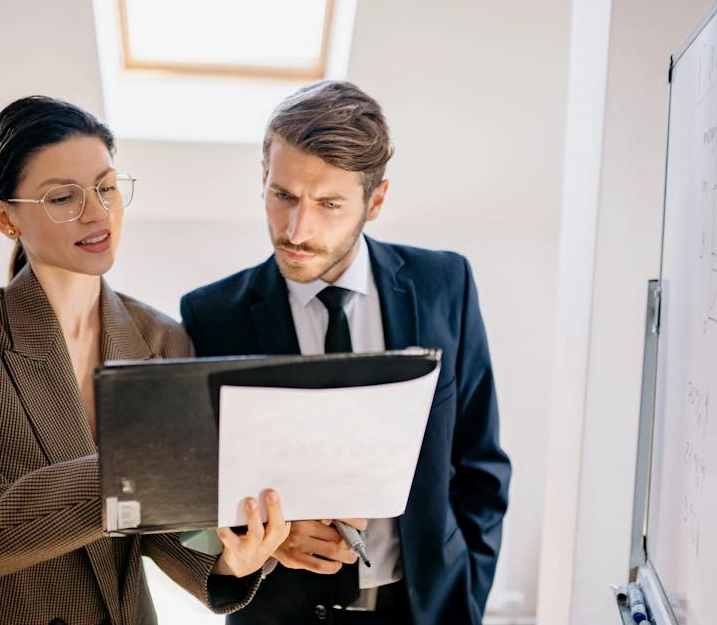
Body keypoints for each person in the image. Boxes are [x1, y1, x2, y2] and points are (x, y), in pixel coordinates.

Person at [0, 95, 289, 625]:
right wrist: (127, 473)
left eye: (106, 187)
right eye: (62, 197)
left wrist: (231, 562)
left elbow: (158, 527)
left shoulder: (163, 341)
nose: (97, 212)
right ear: (5, 218)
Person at [180, 81, 511, 625]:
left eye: (329, 204)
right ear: (262, 179)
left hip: (426, 608)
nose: (296, 230)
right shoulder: (212, 314)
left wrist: (469, 590)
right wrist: (267, 544)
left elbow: (480, 462)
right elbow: (196, 488)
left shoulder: (444, 285)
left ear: (374, 201)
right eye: (282, 195)